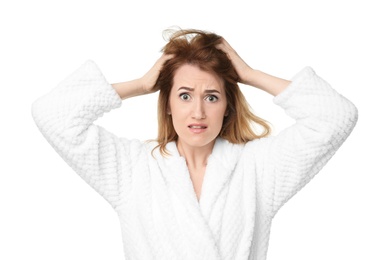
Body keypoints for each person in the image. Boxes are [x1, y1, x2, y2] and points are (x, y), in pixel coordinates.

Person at [31, 29, 358, 260]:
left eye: (211, 97)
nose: (198, 112)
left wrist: (249, 73)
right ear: (168, 103)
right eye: (185, 95)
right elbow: (53, 115)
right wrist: (142, 84)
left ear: (227, 106)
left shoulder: (257, 169)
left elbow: (336, 116)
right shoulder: (132, 168)